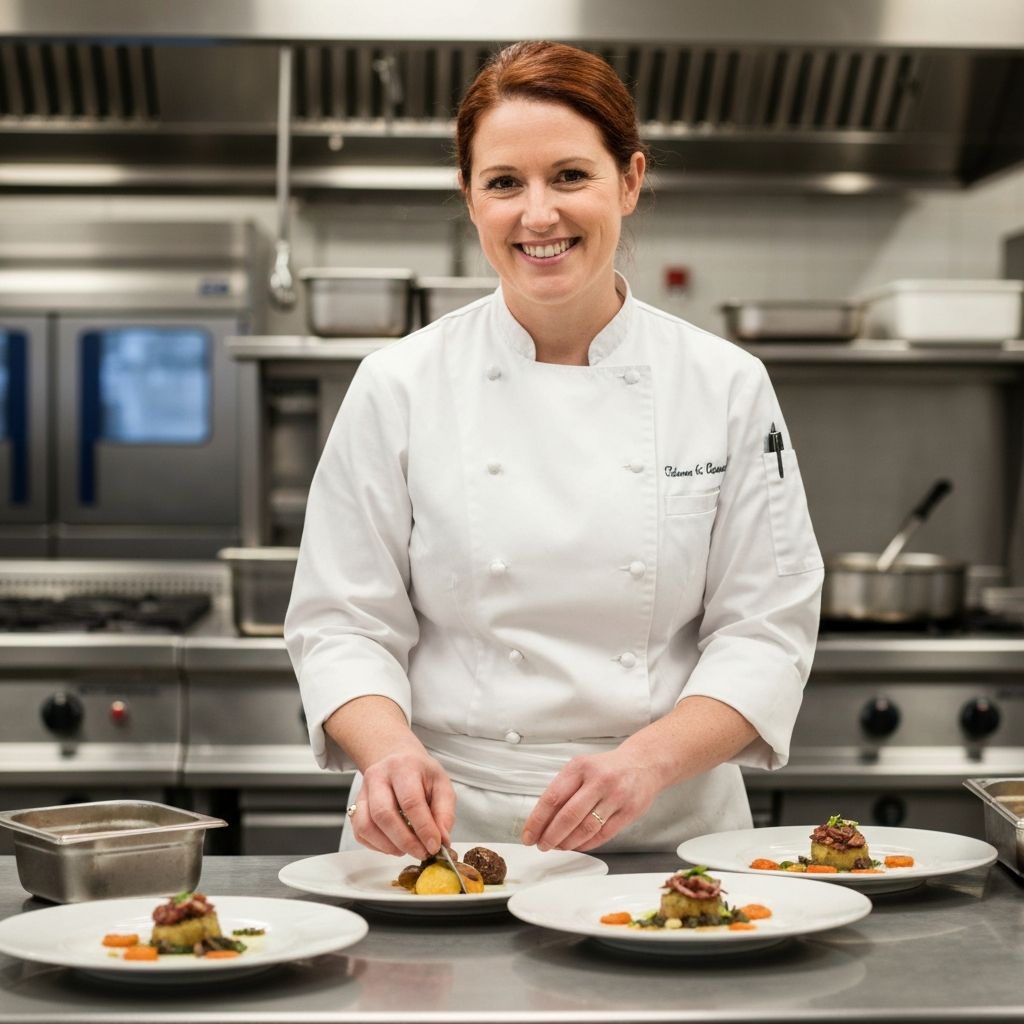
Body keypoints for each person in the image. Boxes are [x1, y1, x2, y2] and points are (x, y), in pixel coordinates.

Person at [284, 40, 824, 860]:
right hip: (441, 831)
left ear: (629, 181)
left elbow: (767, 631)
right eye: (504, 183)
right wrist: (387, 753)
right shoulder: (398, 384)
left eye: (570, 176)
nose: (538, 215)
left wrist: (646, 763)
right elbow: (340, 622)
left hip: (664, 830)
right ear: (469, 197)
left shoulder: (724, 384)